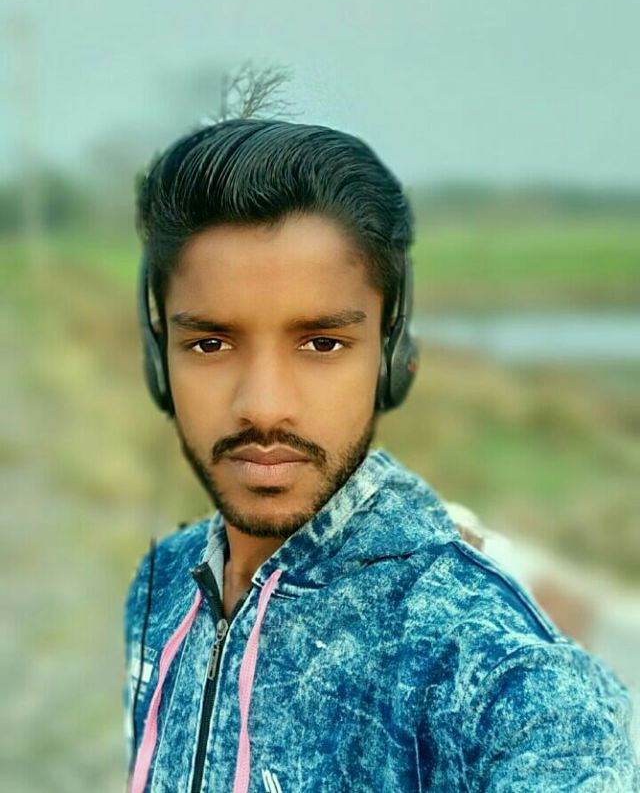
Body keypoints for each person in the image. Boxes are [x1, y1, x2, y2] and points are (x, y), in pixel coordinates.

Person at [124, 119, 638, 792]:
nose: (264, 407)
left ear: (392, 358)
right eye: (211, 345)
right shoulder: (160, 584)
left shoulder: (486, 665)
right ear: (159, 362)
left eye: (322, 344)